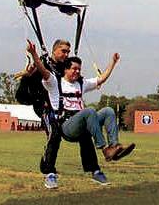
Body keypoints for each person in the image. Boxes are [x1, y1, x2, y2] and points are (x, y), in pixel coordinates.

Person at [27, 39, 134, 188]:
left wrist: (113, 63)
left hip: (82, 122)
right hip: (67, 126)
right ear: (65, 70)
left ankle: (114, 146)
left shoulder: (81, 84)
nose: (77, 72)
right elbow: (43, 70)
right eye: (74, 69)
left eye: (79, 69)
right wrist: (33, 54)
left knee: (108, 111)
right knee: (89, 110)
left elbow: (101, 79)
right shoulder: (54, 83)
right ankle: (104, 149)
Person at [20, 39, 104, 189]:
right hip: (47, 110)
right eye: (63, 51)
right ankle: (49, 172)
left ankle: (94, 170)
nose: (66, 54)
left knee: (85, 133)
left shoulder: (67, 67)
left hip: (67, 112)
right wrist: (27, 77)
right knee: (54, 134)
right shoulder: (41, 66)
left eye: (68, 52)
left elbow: (76, 80)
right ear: (54, 51)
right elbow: (22, 97)